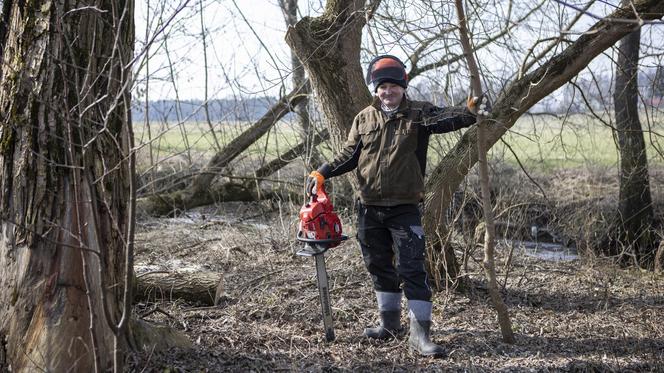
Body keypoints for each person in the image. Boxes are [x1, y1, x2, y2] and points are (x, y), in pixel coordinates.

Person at [306, 55, 488, 357]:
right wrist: (322, 171)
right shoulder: (364, 118)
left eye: (393, 86)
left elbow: (447, 119)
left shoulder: (419, 113)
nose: (387, 92)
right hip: (368, 207)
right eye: (382, 87)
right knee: (378, 266)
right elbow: (349, 155)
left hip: (404, 207)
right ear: (376, 89)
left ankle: (420, 335)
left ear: (403, 86)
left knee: (412, 269)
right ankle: (389, 325)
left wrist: (470, 111)